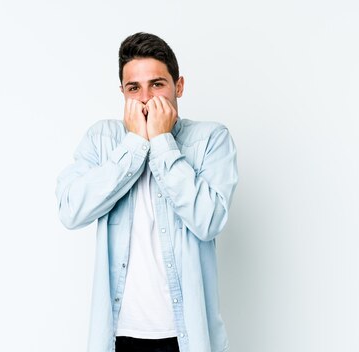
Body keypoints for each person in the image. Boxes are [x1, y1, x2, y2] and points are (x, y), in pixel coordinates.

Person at [55, 32, 238, 352]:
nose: (145, 99)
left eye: (157, 84)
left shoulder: (211, 139)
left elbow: (208, 221)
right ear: (123, 93)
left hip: (188, 336)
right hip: (118, 336)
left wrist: (162, 142)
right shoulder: (102, 139)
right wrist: (136, 144)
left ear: (178, 86)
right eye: (133, 88)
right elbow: (71, 211)